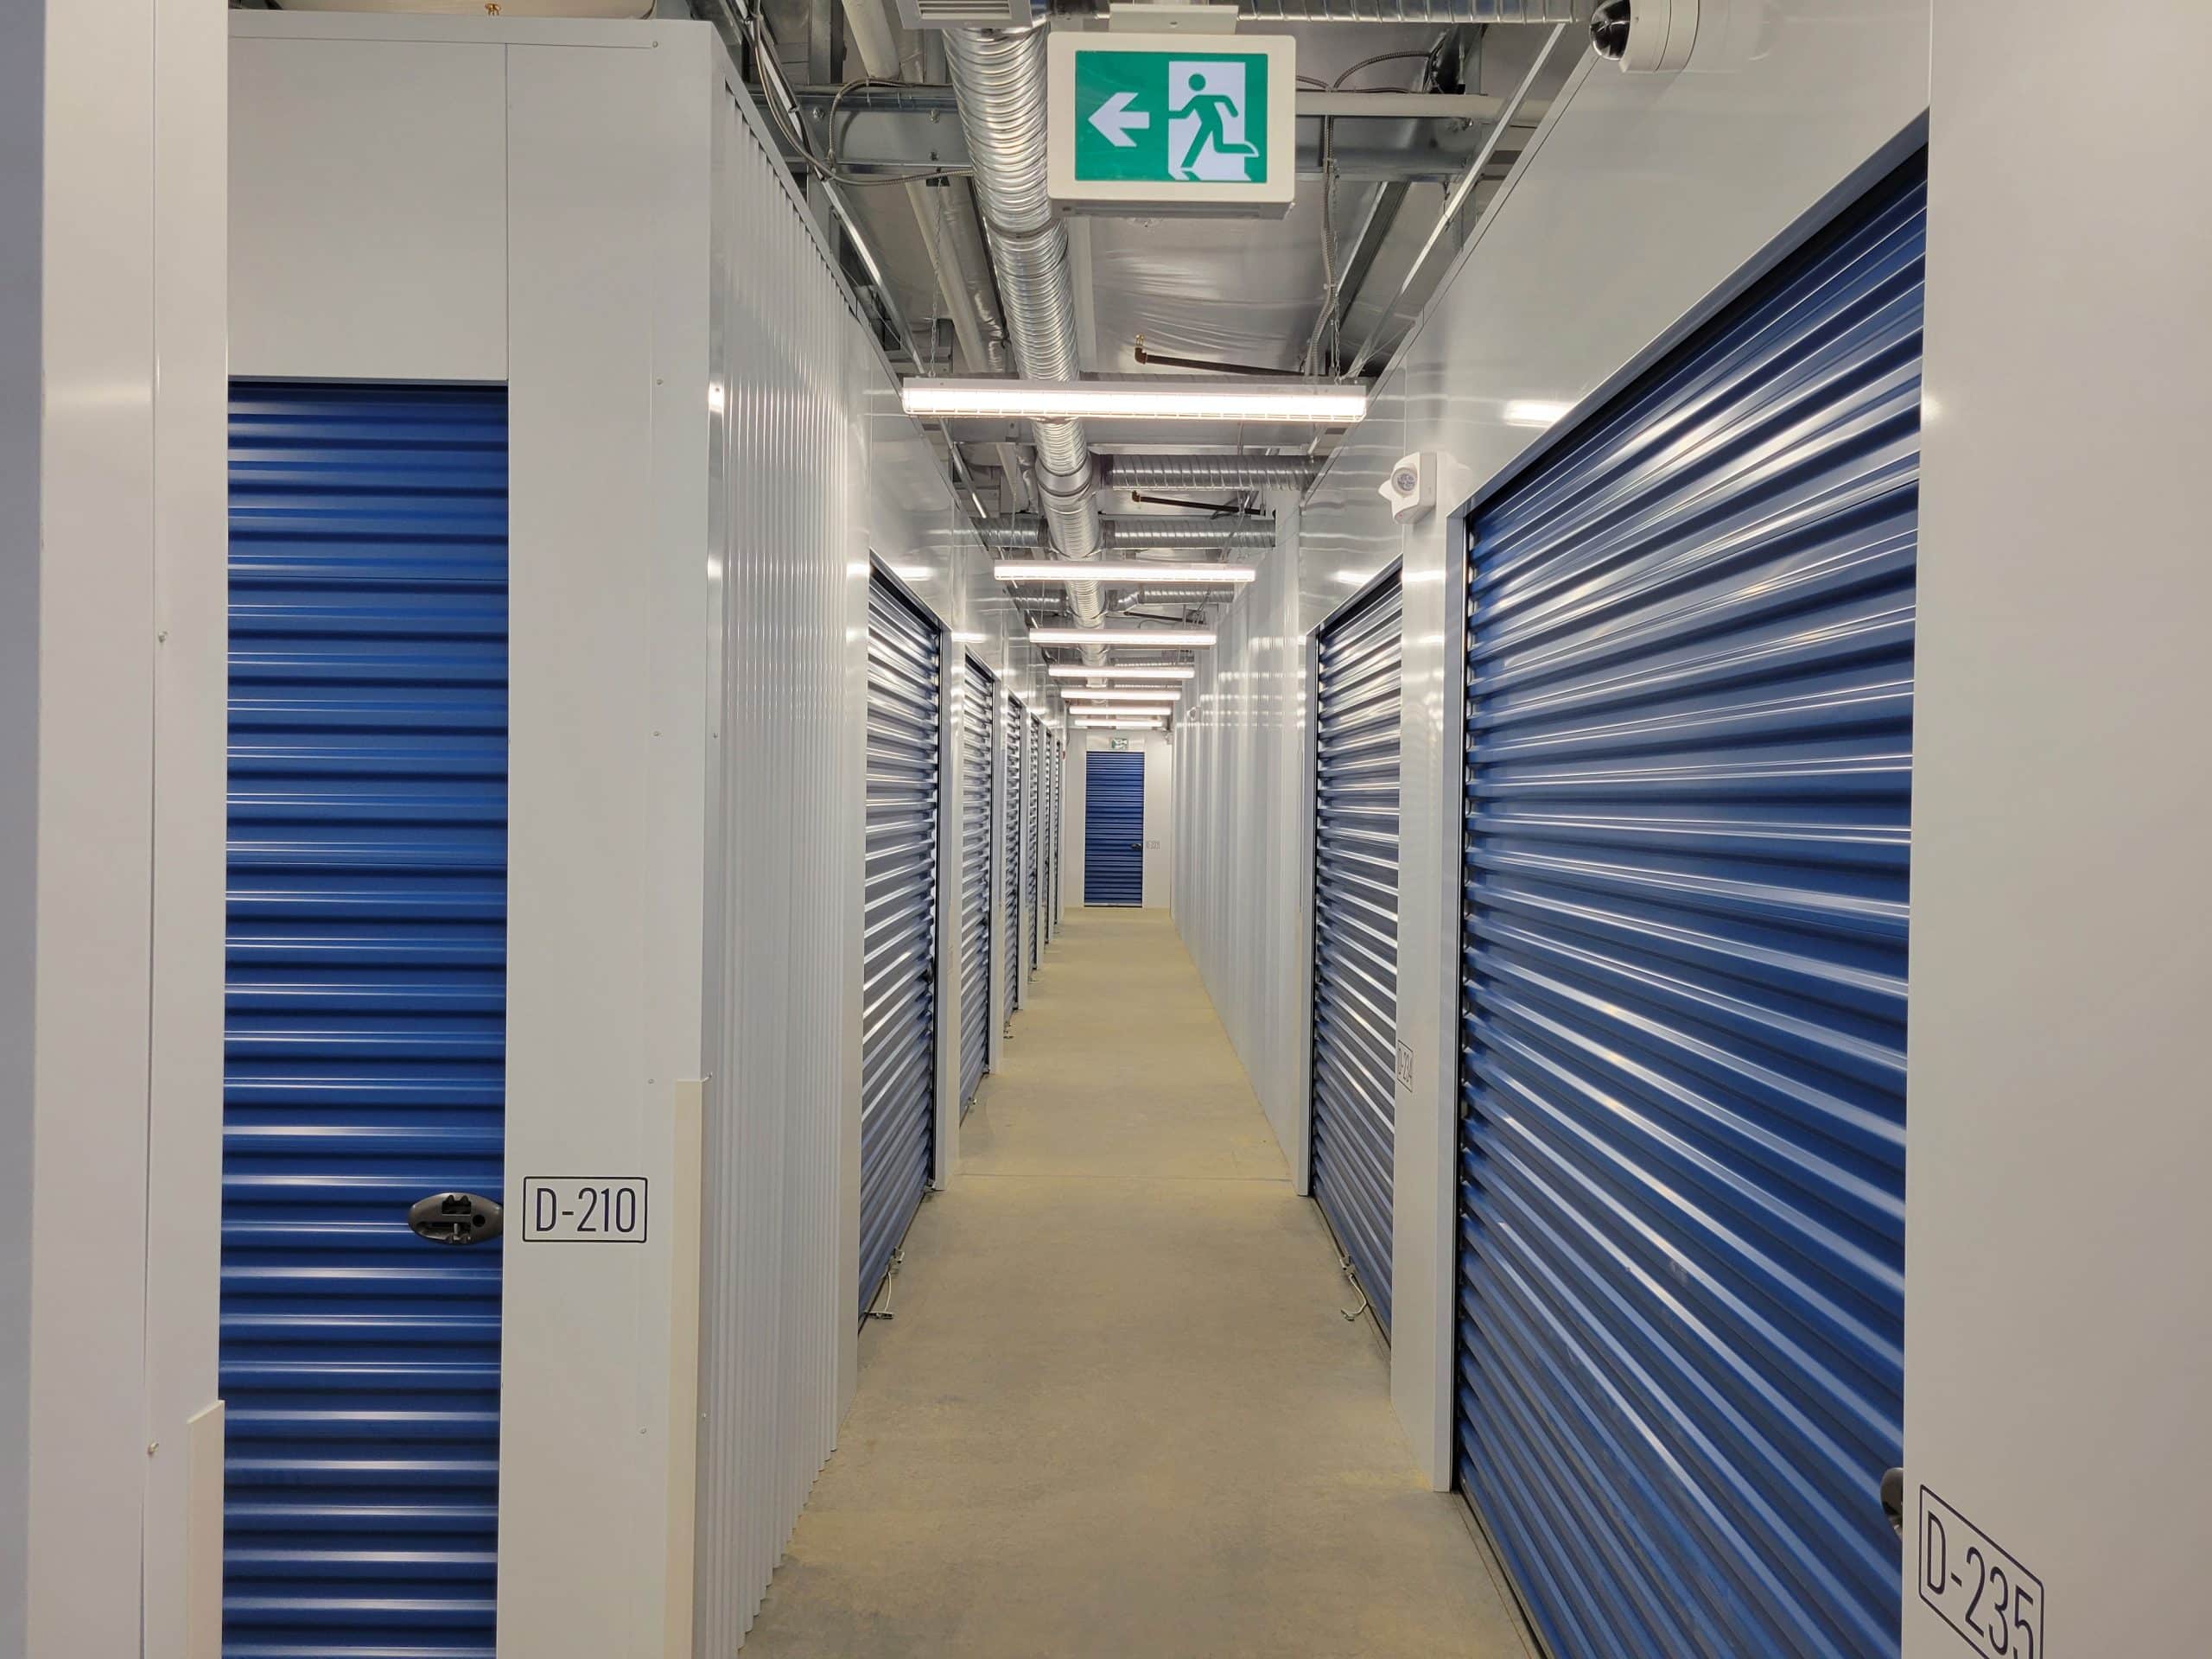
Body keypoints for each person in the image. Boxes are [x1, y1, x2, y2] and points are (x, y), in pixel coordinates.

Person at [1175, 71, 1256, 178]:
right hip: (1211, 123)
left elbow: (1183, 114)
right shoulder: (1198, 99)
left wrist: (1233, 112)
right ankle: (1245, 149)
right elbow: (1184, 114)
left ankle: (1187, 164)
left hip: (1213, 123)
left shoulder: (1199, 99)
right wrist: (1233, 112)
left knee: (1213, 145)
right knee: (1219, 147)